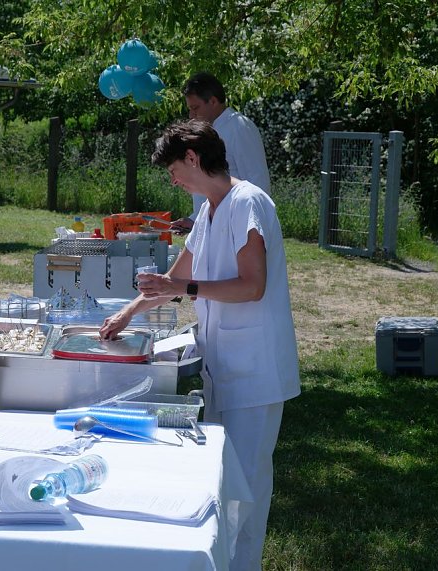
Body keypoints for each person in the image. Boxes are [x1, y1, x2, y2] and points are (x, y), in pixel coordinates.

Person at [100, 120, 299, 571]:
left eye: (172, 169)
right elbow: (177, 277)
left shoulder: (247, 202)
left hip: (256, 369)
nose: (171, 179)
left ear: (192, 157)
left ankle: (242, 564)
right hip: (223, 364)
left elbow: (252, 286)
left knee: (246, 485)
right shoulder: (210, 210)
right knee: (223, 479)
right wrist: (128, 314)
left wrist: (185, 287)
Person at [171, 72, 271, 233]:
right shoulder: (207, 130)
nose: (191, 115)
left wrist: (252, 230)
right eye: (190, 109)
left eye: (195, 108)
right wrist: (195, 219)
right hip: (212, 227)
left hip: (236, 227)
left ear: (213, 101)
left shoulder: (239, 127)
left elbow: (258, 183)